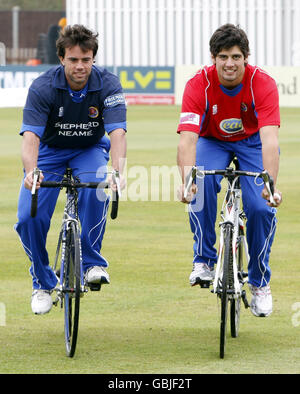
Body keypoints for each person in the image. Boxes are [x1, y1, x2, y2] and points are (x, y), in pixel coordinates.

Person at [15, 24, 127, 315]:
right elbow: (31, 137)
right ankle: (42, 281)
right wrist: (31, 171)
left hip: (88, 149)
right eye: (74, 59)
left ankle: (90, 262)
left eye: (86, 59)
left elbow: (117, 133)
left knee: (99, 186)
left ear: (93, 59)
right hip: (49, 152)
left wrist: (118, 171)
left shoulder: (109, 84)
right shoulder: (43, 86)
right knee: (29, 217)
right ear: (62, 58)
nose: (80, 66)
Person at [177, 24, 282, 317]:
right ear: (213, 58)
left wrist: (269, 186)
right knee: (199, 184)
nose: (230, 63)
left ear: (246, 57)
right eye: (223, 57)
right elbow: (187, 139)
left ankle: (260, 282)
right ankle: (204, 260)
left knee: (261, 209)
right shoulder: (198, 84)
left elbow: (270, 140)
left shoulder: (262, 83)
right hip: (212, 141)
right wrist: (187, 182)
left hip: (251, 144)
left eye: (236, 56)